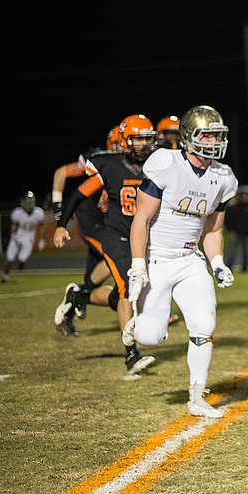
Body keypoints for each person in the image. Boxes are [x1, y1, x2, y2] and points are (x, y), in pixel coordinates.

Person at [125, 104, 237, 417]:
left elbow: (213, 230)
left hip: (190, 259)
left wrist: (217, 263)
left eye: (218, 136)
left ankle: (197, 396)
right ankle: (137, 321)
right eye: (208, 135)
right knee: (150, 336)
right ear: (189, 136)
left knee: (204, 325)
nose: (215, 142)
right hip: (158, 257)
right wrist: (137, 264)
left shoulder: (224, 177)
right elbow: (141, 219)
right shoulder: (166, 163)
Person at [54, 114, 158, 375]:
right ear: (124, 141)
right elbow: (78, 194)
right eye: (139, 139)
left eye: (148, 139)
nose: (145, 145)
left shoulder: (157, 165)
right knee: (125, 289)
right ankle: (132, 355)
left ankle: (80, 295)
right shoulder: (109, 165)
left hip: (144, 238)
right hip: (117, 236)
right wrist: (61, 224)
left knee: (121, 296)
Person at [52, 125, 122, 336]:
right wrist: (58, 215)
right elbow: (61, 173)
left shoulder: (134, 164)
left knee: (91, 281)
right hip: (92, 221)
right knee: (117, 258)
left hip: (109, 222)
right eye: (122, 143)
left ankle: (71, 309)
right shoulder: (100, 161)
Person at [1, 191, 46, 283]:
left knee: (22, 258)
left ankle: (20, 268)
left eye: (30, 202)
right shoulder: (17, 212)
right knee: (9, 259)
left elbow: (42, 226)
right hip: (17, 237)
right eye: (26, 201)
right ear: (22, 202)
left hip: (28, 238)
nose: (28, 204)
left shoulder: (38, 213)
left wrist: (41, 239)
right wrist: (13, 235)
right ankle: (5, 277)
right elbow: (13, 226)